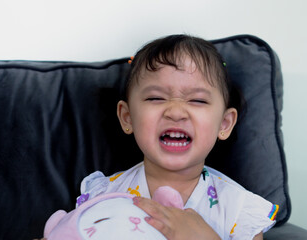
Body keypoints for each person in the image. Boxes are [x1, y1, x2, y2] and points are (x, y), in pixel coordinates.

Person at [76, 34, 278, 240]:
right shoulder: (104, 196)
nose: (175, 111)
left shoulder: (239, 210)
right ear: (127, 118)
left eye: (197, 100)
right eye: (156, 98)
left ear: (224, 124)